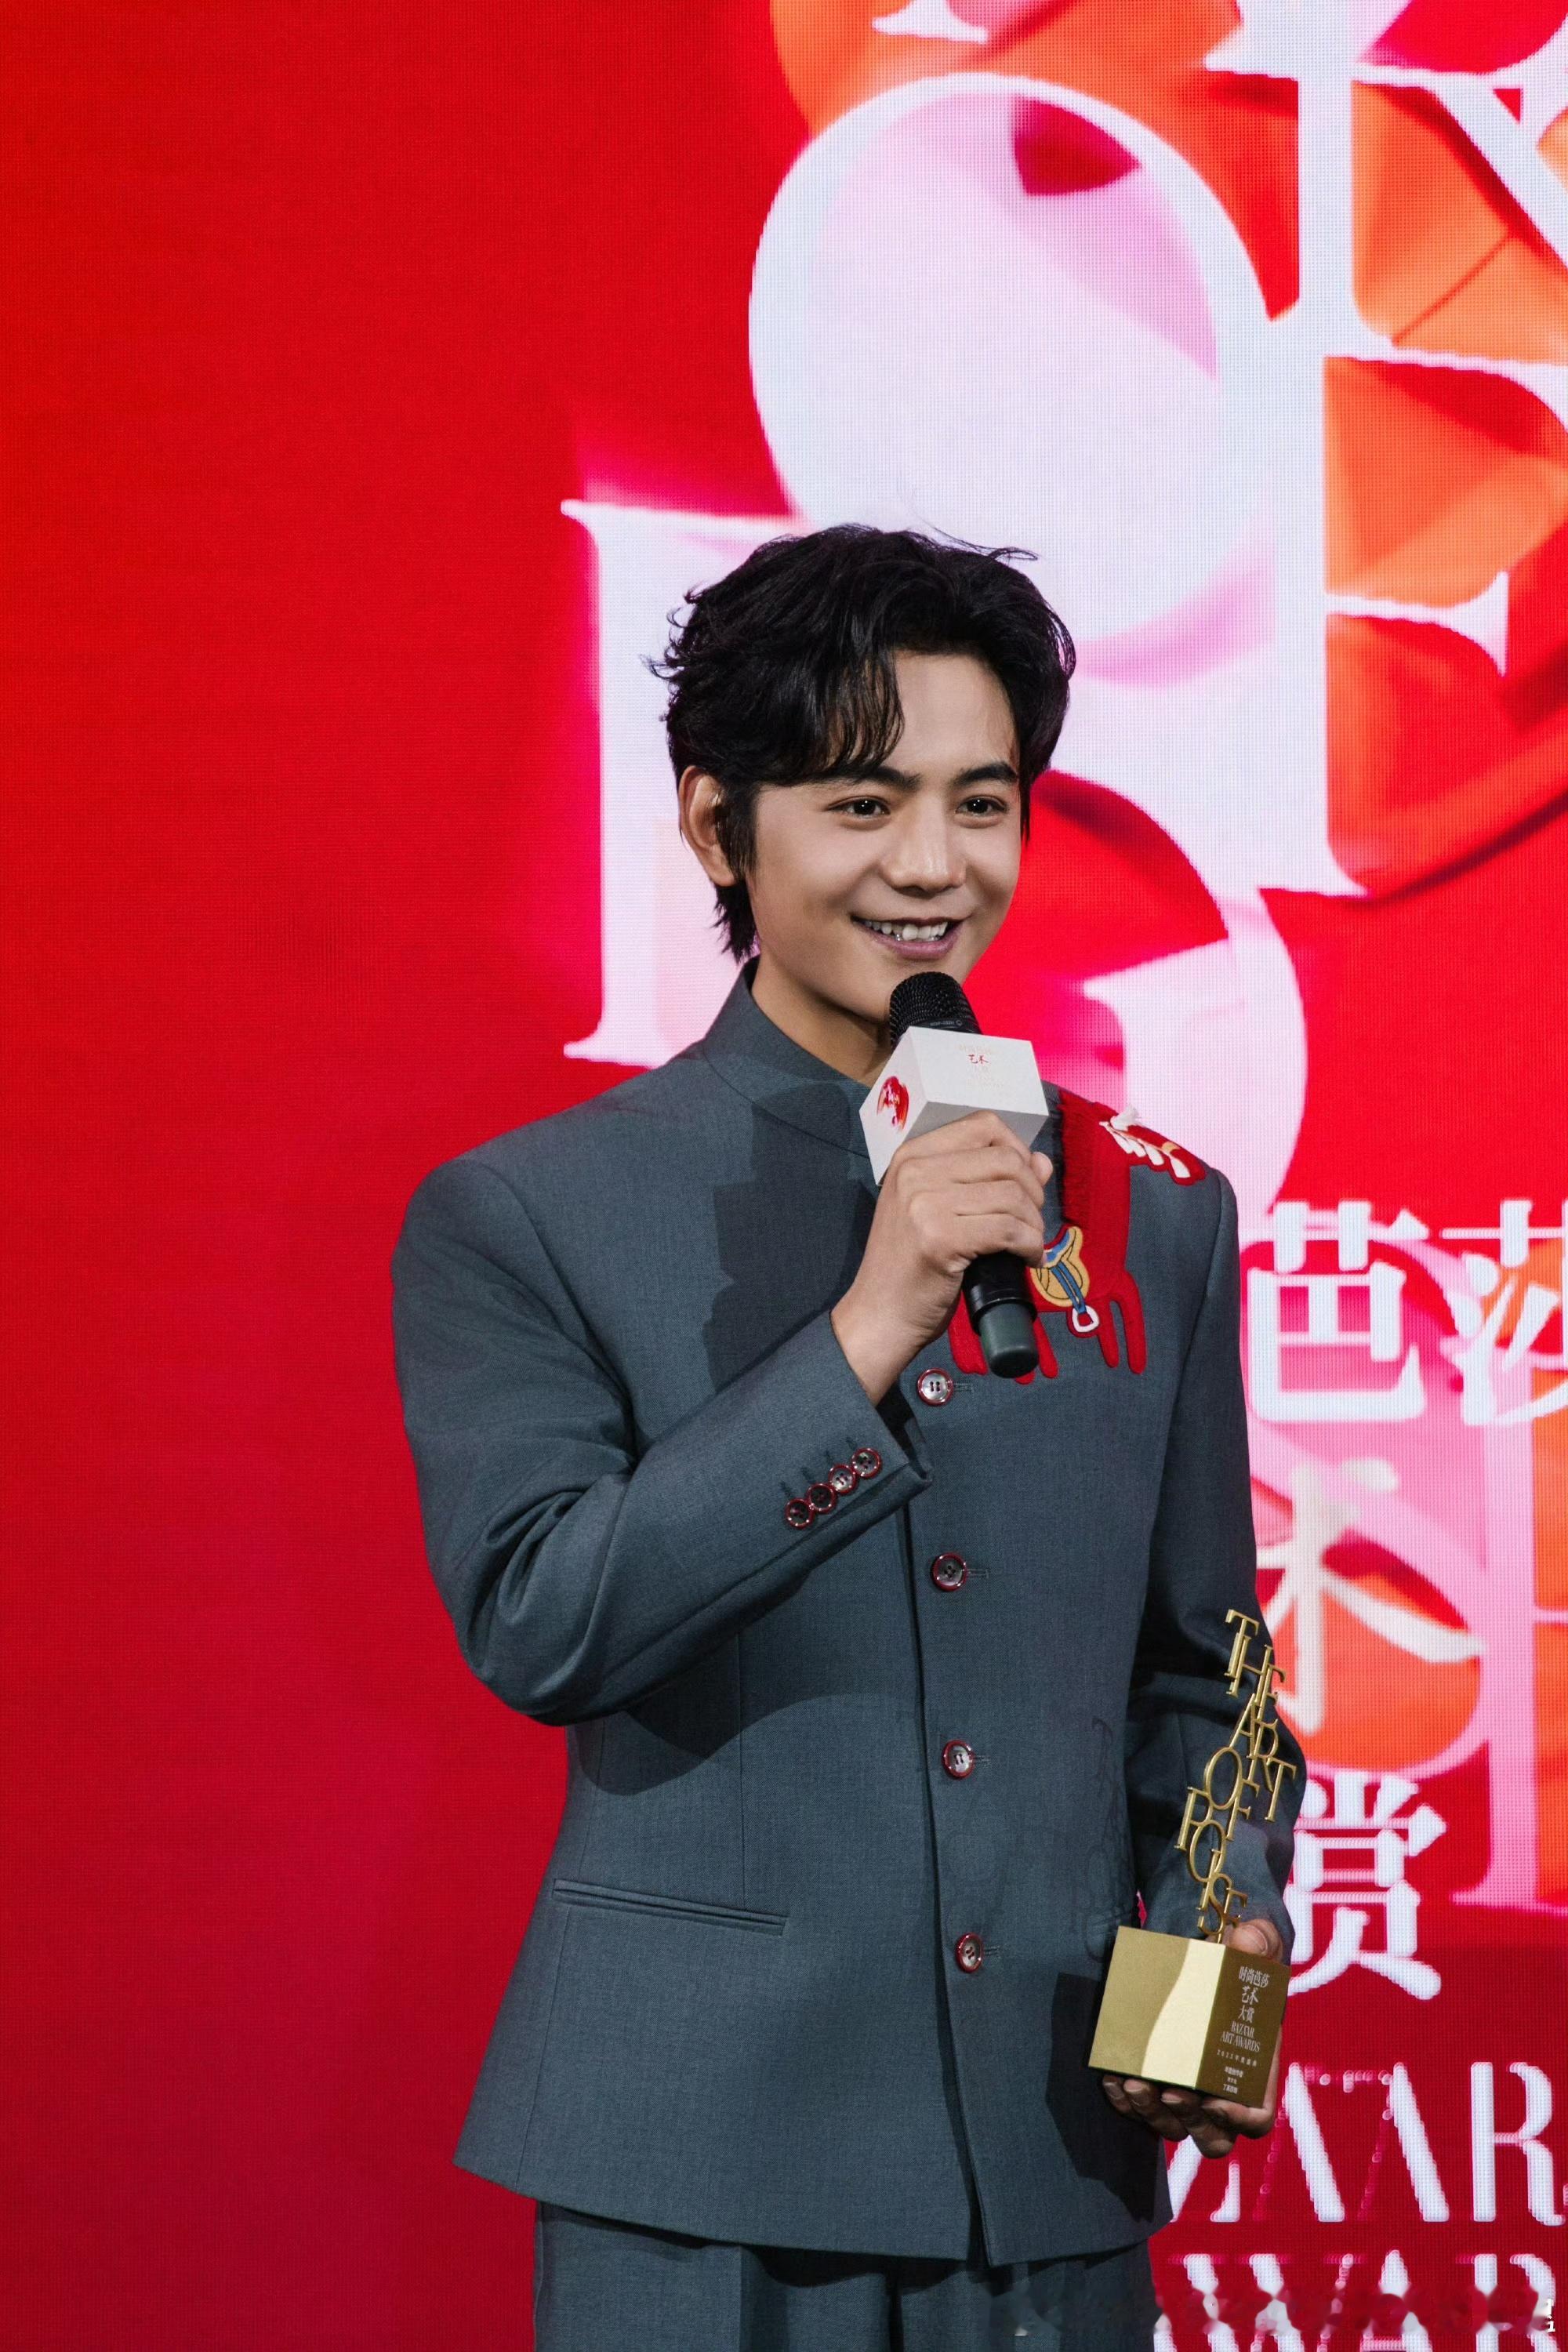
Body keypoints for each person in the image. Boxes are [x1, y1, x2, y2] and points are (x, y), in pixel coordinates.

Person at [391, 525, 1303, 2349]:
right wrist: (873, 1320)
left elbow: (1208, 1671)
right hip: (698, 2162)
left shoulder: (1150, 1208)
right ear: (716, 825)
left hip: (1051, 2145)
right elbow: (547, 1623)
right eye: (862, 803)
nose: (932, 866)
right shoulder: (535, 1212)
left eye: (982, 804)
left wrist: (1226, 1909)